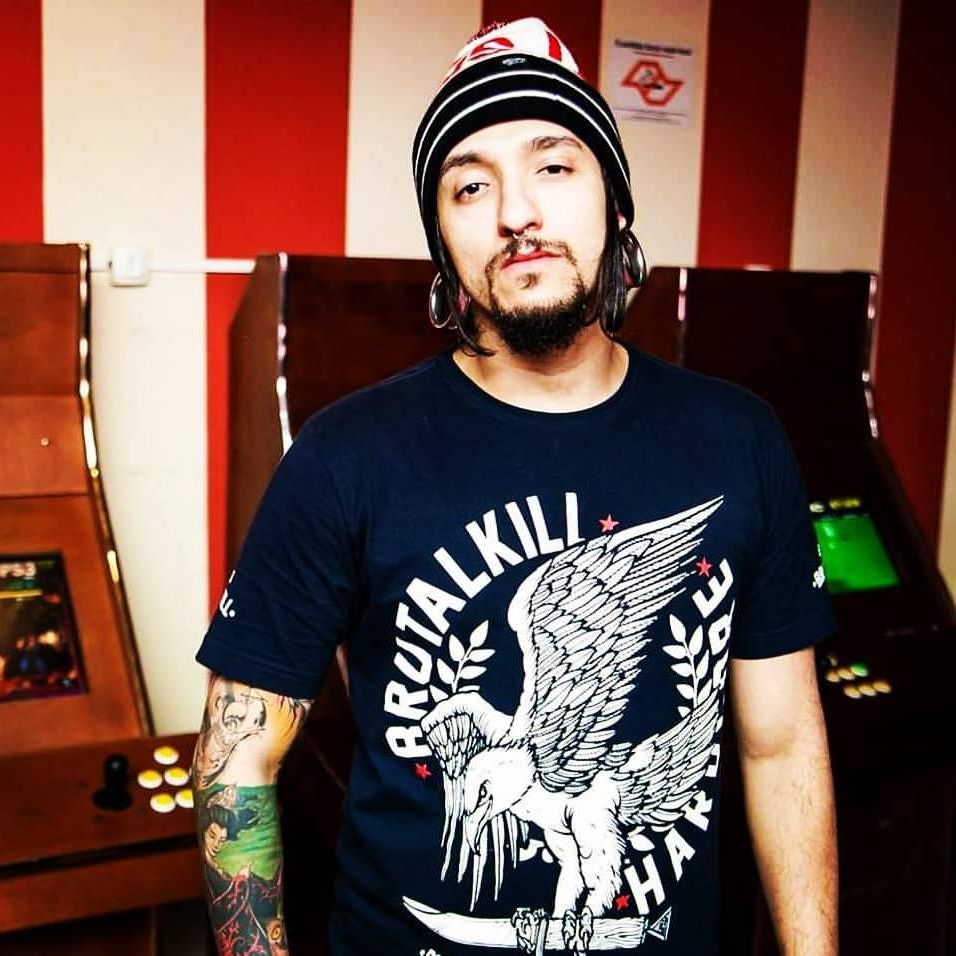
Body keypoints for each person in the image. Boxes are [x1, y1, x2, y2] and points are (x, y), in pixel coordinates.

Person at [194, 18, 837, 955]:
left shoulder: (738, 439)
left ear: (614, 202)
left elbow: (780, 745)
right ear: (444, 244)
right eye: (470, 185)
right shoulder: (345, 455)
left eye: (554, 165)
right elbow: (237, 757)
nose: (516, 213)